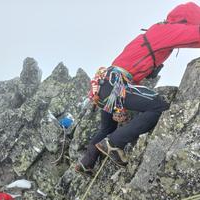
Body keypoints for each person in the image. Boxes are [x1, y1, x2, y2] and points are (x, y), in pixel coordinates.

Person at [76, 2, 200, 175]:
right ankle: (114, 143)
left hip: (106, 85)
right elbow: (196, 35)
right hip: (116, 85)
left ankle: (86, 162)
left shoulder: (154, 31)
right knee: (158, 107)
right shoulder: (166, 30)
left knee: (107, 128)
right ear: (187, 20)